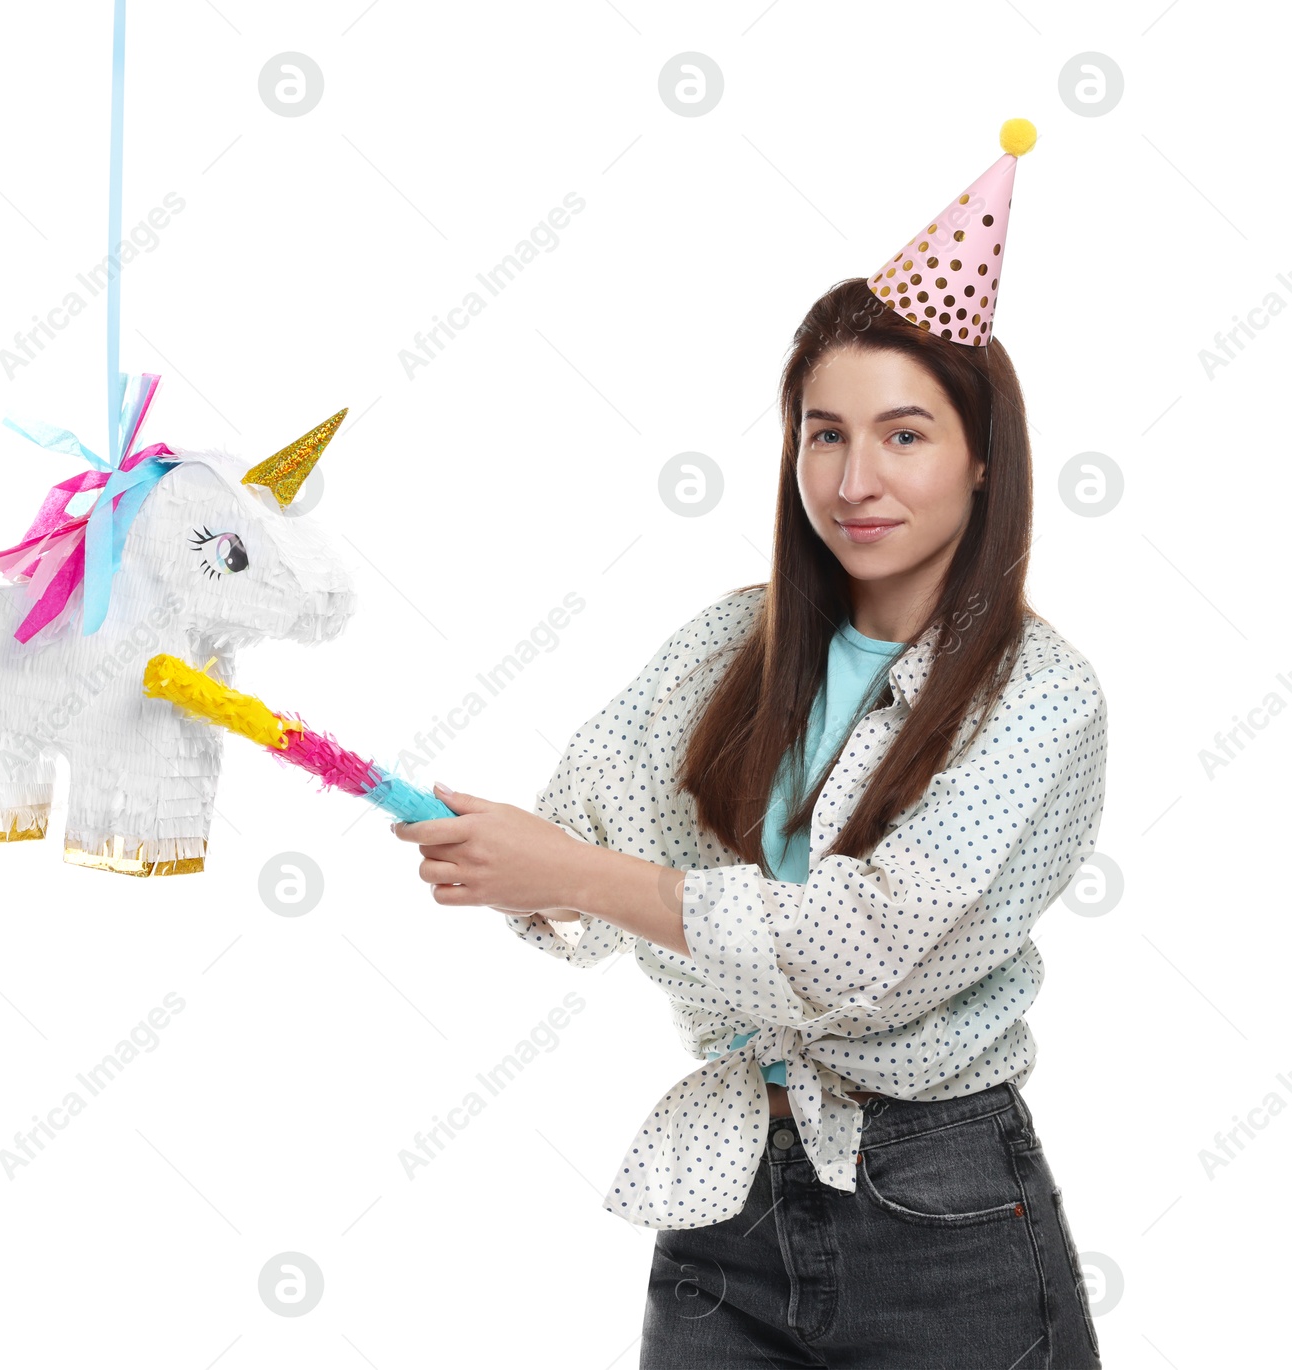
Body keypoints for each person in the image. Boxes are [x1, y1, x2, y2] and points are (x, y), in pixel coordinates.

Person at [393, 120, 1106, 1368]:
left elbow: (858, 943)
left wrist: (572, 874)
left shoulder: (1040, 698)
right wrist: (494, 850)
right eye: (822, 432)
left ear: (983, 459)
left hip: (941, 1215)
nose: (851, 477)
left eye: (904, 432)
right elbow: (583, 849)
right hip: (725, 1199)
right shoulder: (728, 644)